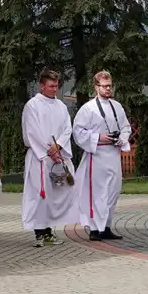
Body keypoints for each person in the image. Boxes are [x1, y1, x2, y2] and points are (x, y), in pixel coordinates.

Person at [72, 70, 131, 241]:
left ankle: (105, 226)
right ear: (96, 87)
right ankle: (94, 228)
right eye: (104, 86)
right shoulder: (88, 109)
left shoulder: (116, 106)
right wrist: (99, 138)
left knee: (112, 190)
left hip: (113, 154)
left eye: (109, 86)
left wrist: (121, 138)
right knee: (97, 192)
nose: (108, 89)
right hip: (96, 155)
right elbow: (78, 132)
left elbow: (126, 127)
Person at [22, 69, 76, 247]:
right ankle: (40, 233)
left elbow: (68, 128)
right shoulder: (32, 105)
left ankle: (49, 231)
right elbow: (32, 132)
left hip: (57, 156)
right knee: (40, 195)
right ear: (42, 85)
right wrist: (48, 151)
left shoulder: (61, 106)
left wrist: (59, 145)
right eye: (51, 86)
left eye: (56, 85)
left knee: (54, 195)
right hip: (41, 158)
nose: (55, 89)